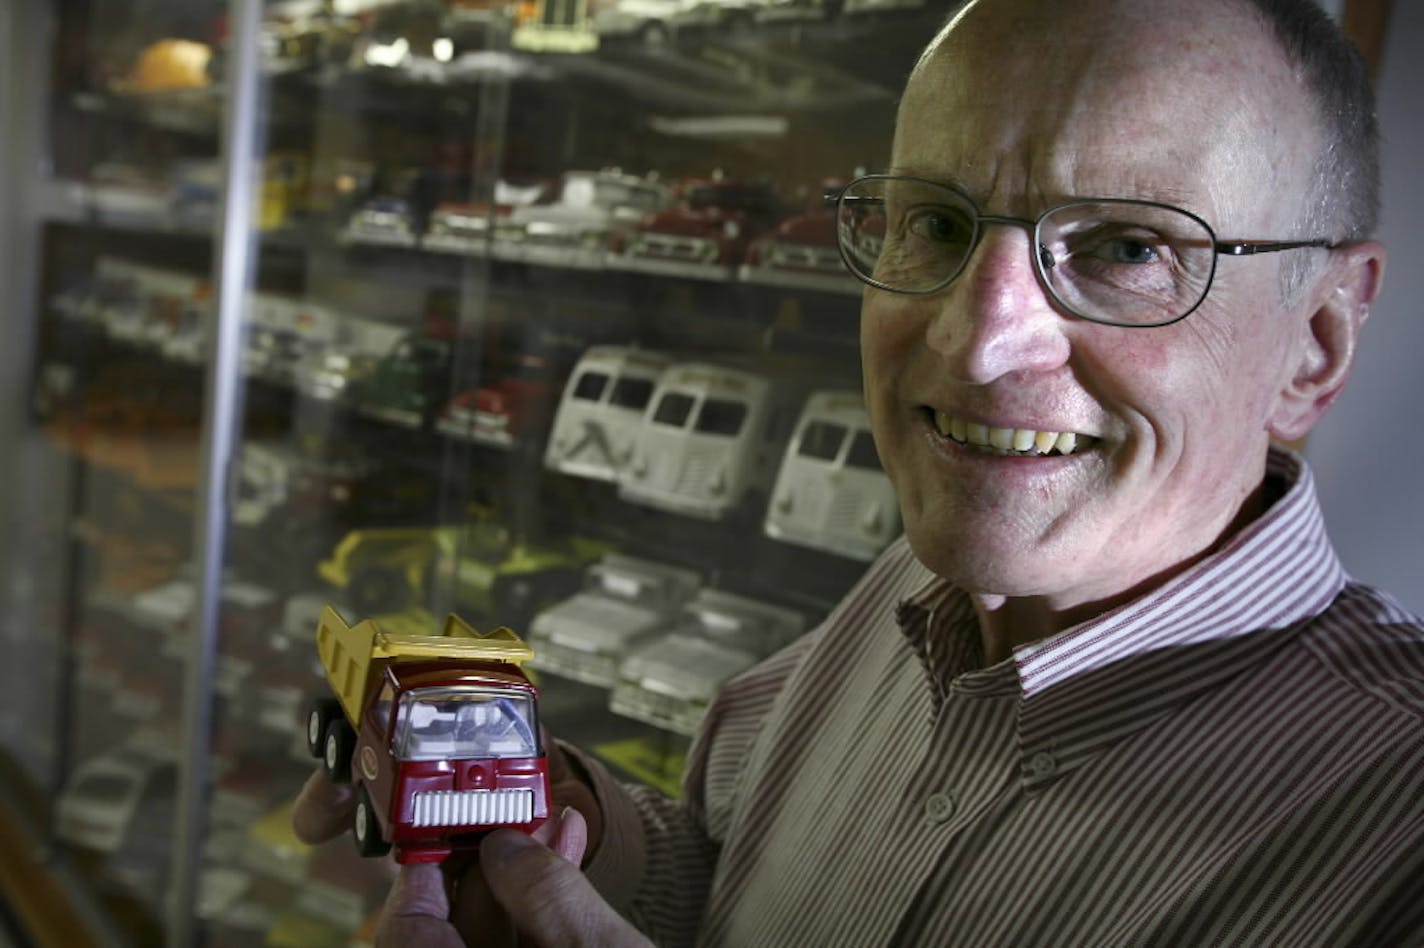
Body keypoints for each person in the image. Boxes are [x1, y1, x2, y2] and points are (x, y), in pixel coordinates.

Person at [295, 0, 1424, 943]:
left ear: (1316, 337)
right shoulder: (909, 593)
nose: (972, 342)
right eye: (932, 222)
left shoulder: (1391, 839)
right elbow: (730, 871)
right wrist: (572, 838)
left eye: (1125, 248)